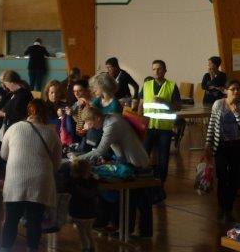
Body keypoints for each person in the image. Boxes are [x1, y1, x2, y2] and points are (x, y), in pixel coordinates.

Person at [73, 104, 153, 237]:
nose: (89, 125)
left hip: (137, 164)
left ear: (97, 118)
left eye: (89, 122)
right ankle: (123, 228)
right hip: (130, 162)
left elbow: (100, 150)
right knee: (131, 197)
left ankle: (130, 230)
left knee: (134, 198)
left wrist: (76, 159)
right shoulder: (110, 119)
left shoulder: (112, 125)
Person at [0, 99, 60, 252]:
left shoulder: (14, 128)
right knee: (35, 221)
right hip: (40, 181)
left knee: (11, 220)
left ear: (28, 111)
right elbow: (57, 163)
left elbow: (4, 154)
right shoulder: (51, 132)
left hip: (15, 181)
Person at [204, 80, 240, 222]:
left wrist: (237, 113)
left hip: (236, 145)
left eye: (238, 89)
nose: (236, 92)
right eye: (233, 89)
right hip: (221, 146)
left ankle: (229, 209)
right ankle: (221, 207)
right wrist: (207, 144)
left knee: (233, 178)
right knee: (222, 177)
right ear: (226, 90)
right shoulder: (218, 104)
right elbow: (211, 125)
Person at [138, 60, 181, 193]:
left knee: (163, 158)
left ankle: (160, 183)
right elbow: (141, 105)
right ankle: (142, 182)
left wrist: (164, 102)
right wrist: (140, 122)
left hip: (164, 128)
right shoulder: (146, 85)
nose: (157, 71)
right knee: (144, 155)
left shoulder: (172, 86)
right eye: (154, 69)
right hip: (149, 127)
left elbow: (177, 107)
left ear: (165, 70)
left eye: (160, 69)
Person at [67, 159, 99, 252]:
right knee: (89, 232)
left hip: (79, 211)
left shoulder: (73, 182)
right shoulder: (94, 181)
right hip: (92, 211)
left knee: (82, 233)